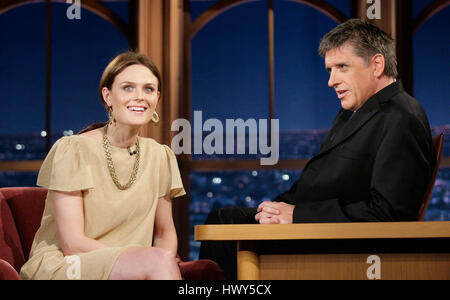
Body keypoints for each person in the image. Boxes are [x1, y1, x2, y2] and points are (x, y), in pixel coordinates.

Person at [199, 19, 436, 280]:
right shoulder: (352, 114)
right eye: (330, 70)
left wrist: (297, 215)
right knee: (224, 218)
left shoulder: (403, 117)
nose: (331, 81)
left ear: (376, 65)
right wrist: (276, 209)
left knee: (224, 223)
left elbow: (388, 213)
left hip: (337, 244)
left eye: (342, 67)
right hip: (310, 226)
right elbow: (321, 184)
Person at [20, 51, 186, 280]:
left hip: (135, 267)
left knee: (161, 260)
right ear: (107, 96)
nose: (139, 96)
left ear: (156, 98)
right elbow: (72, 244)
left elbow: (164, 232)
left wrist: (153, 261)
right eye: (128, 87)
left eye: (148, 89)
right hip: (68, 265)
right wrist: (144, 261)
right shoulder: (72, 149)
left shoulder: (160, 156)